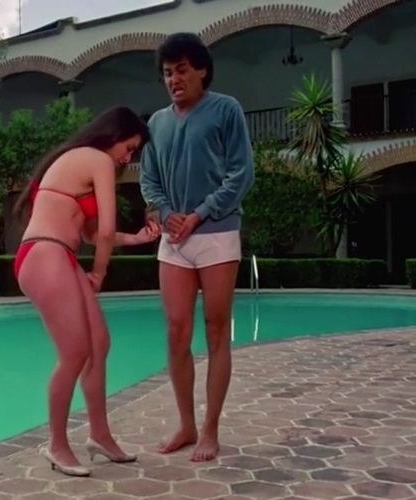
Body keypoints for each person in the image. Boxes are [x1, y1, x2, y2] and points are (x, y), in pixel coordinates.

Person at [13, 106, 161, 477]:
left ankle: (100, 436)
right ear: (114, 135)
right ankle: (56, 444)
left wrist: (138, 238)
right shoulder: (97, 159)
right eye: (129, 148)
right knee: (75, 352)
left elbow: (93, 233)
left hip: (57, 254)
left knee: (98, 343)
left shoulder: (81, 159)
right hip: (45, 253)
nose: (127, 158)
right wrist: (98, 273)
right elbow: (106, 231)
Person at [139, 33, 255, 462]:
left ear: (202, 70)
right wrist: (166, 210)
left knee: (216, 329)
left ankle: (210, 429)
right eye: (167, 73)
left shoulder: (226, 110)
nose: (174, 79)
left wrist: (200, 213)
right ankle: (186, 424)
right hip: (174, 239)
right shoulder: (156, 123)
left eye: (182, 70)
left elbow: (241, 173)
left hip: (216, 233)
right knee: (175, 331)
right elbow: (148, 178)